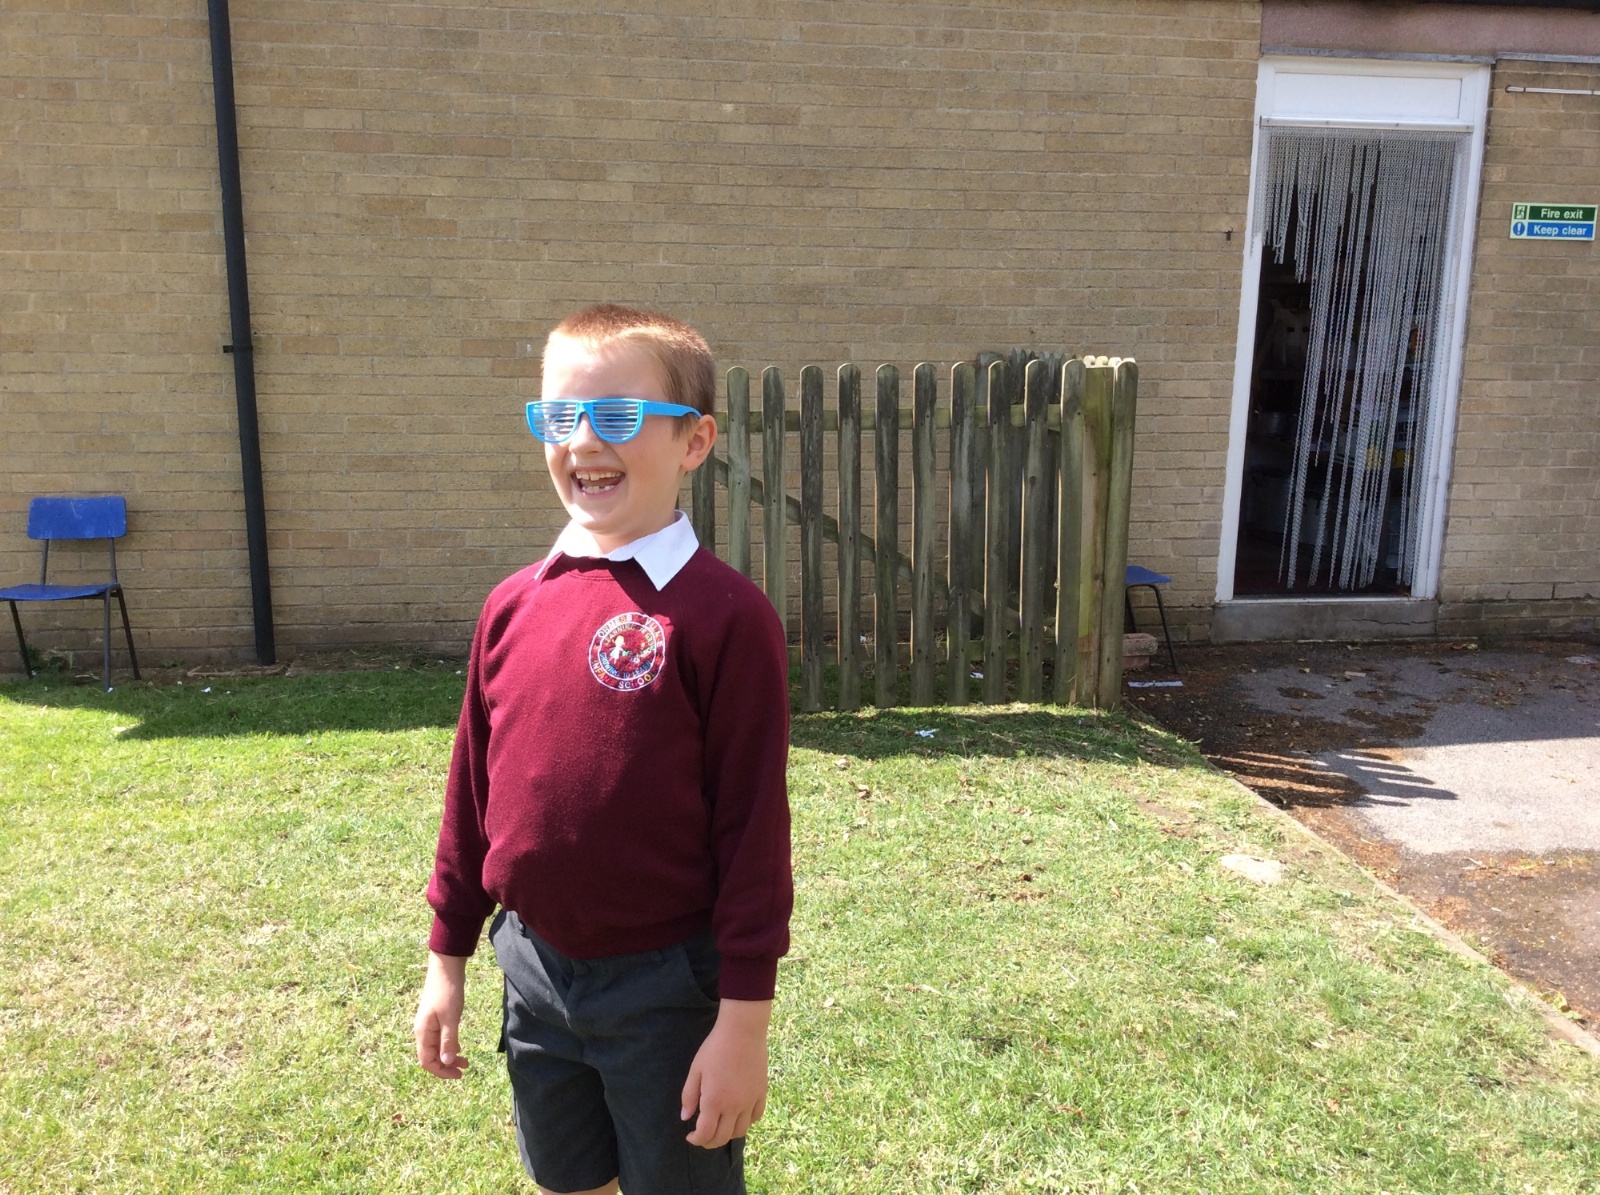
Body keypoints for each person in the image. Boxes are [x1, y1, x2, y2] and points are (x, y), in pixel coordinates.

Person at [413, 304, 793, 1195]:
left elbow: (752, 831)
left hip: (667, 989)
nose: (583, 439)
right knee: (566, 1179)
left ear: (694, 441)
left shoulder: (725, 617)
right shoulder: (511, 606)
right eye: (559, 416)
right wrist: (447, 958)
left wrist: (743, 1024)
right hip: (534, 970)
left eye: (618, 415)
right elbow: (473, 795)